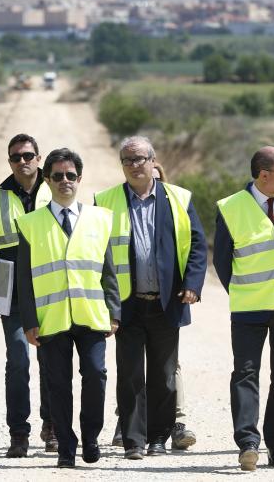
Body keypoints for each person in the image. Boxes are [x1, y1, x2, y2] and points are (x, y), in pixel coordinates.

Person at [94, 136, 206, 460]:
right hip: (126, 304)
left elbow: (197, 246)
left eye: (139, 159)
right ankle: (133, 441)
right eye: (127, 160)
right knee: (130, 376)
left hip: (166, 302)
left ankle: (158, 438)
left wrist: (193, 285)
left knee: (164, 376)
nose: (133, 165)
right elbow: (95, 252)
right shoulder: (105, 201)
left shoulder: (179, 199)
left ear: (153, 161)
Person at [16, 148, 121, 469]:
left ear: (79, 179)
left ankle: (90, 437)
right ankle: (65, 445)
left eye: (71, 176)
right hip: (51, 319)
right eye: (58, 176)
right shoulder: (30, 223)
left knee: (96, 375)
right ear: (46, 180)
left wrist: (114, 312)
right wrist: (29, 321)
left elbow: (108, 270)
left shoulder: (100, 218)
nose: (65, 181)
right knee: (57, 385)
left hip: (91, 315)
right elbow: (24, 278)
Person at [213, 146, 274, 472]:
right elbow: (222, 262)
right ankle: (248, 443)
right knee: (245, 374)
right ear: (263, 175)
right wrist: (243, 291)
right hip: (249, 306)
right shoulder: (231, 207)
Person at [0, 133, 56, 457]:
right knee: (18, 360)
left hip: (49, 288)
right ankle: (19, 434)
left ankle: (52, 427)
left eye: (28, 155)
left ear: (38, 158)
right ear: (9, 161)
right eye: (16, 157)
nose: (22, 162)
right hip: (10, 290)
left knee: (51, 360)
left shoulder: (56, 188)